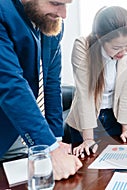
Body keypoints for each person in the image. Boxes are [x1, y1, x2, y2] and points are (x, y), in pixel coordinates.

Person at [0, 0, 82, 180]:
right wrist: (50, 149)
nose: (63, 14)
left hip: (28, 142)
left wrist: (56, 141)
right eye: (56, 3)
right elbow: (10, 85)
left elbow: (52, 83)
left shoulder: (51, 22)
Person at [66, 6, 127, 157]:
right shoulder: (83, 46)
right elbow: (85, 94)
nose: (123, 53)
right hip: (85, 123)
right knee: (88, 170)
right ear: (100, 38)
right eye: (116, 48)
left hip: (114, 118)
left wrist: (126, 129)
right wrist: (88, 138)